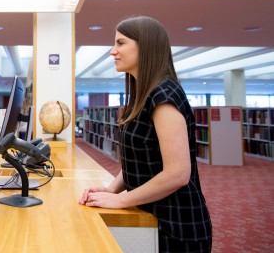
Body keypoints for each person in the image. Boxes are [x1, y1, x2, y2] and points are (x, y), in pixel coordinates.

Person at [79, 16, 212, 252]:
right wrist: (112, 189)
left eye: (120, 43)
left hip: (176, 225)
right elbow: (138, 158)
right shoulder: (142, 95)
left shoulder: (164, 96)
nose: (112, 51)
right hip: (152, 214)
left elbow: (178, 174)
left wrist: (121, 200)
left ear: (145, 45)